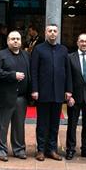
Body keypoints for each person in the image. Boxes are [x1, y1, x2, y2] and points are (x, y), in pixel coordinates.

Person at [30, 24, 72, 161]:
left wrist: (68, 90)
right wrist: (34, 89)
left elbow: (68, 72)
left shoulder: (63, 50)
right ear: (46, 33)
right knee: (42, 123)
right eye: (50, 31)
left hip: (59, 93)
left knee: (55, 123)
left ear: (58, 33)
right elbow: (34, 71)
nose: (52, 33)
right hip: (43, 92)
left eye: (54, 31)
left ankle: (52, 149)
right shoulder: (38, 49)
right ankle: (40, 150)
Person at [0, 31, 31, 161]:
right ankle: (0, 150)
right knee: (2, 125)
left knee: (19, 126)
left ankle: (19, 150)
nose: (15, 41)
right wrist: (12, 75)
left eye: (18, 39)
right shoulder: (0, 55)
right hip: (4, 97)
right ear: (8, 41)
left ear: (21, 41)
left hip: (21, 97)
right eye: (12, 39)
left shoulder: (26, 55)